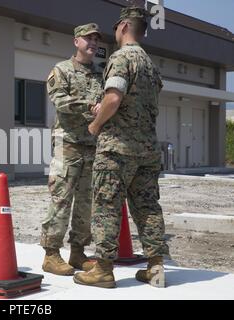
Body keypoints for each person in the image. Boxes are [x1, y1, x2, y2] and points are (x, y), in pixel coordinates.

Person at [73, 7, 169, 288]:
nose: (113, 33)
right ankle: (156, 268)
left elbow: (114, 98)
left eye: (116, 27)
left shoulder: (121, 58)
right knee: (149, 207)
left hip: (117, 149)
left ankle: (103, 270)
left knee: (106, 207)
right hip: (148, 150)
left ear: (125, 25)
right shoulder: (151, 65)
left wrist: (95, 124)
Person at [40, 23, 104, 276]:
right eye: (88, 39)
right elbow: (60, 101)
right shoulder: (61, 70)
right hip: (67, 144)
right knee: (61, 199)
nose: (93, 43)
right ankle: (51, 254)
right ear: (76, 41)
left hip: (92, 145)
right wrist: (90, 106)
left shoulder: (101, 75)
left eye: (96, 40)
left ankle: (78, 252)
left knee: (86, 203)